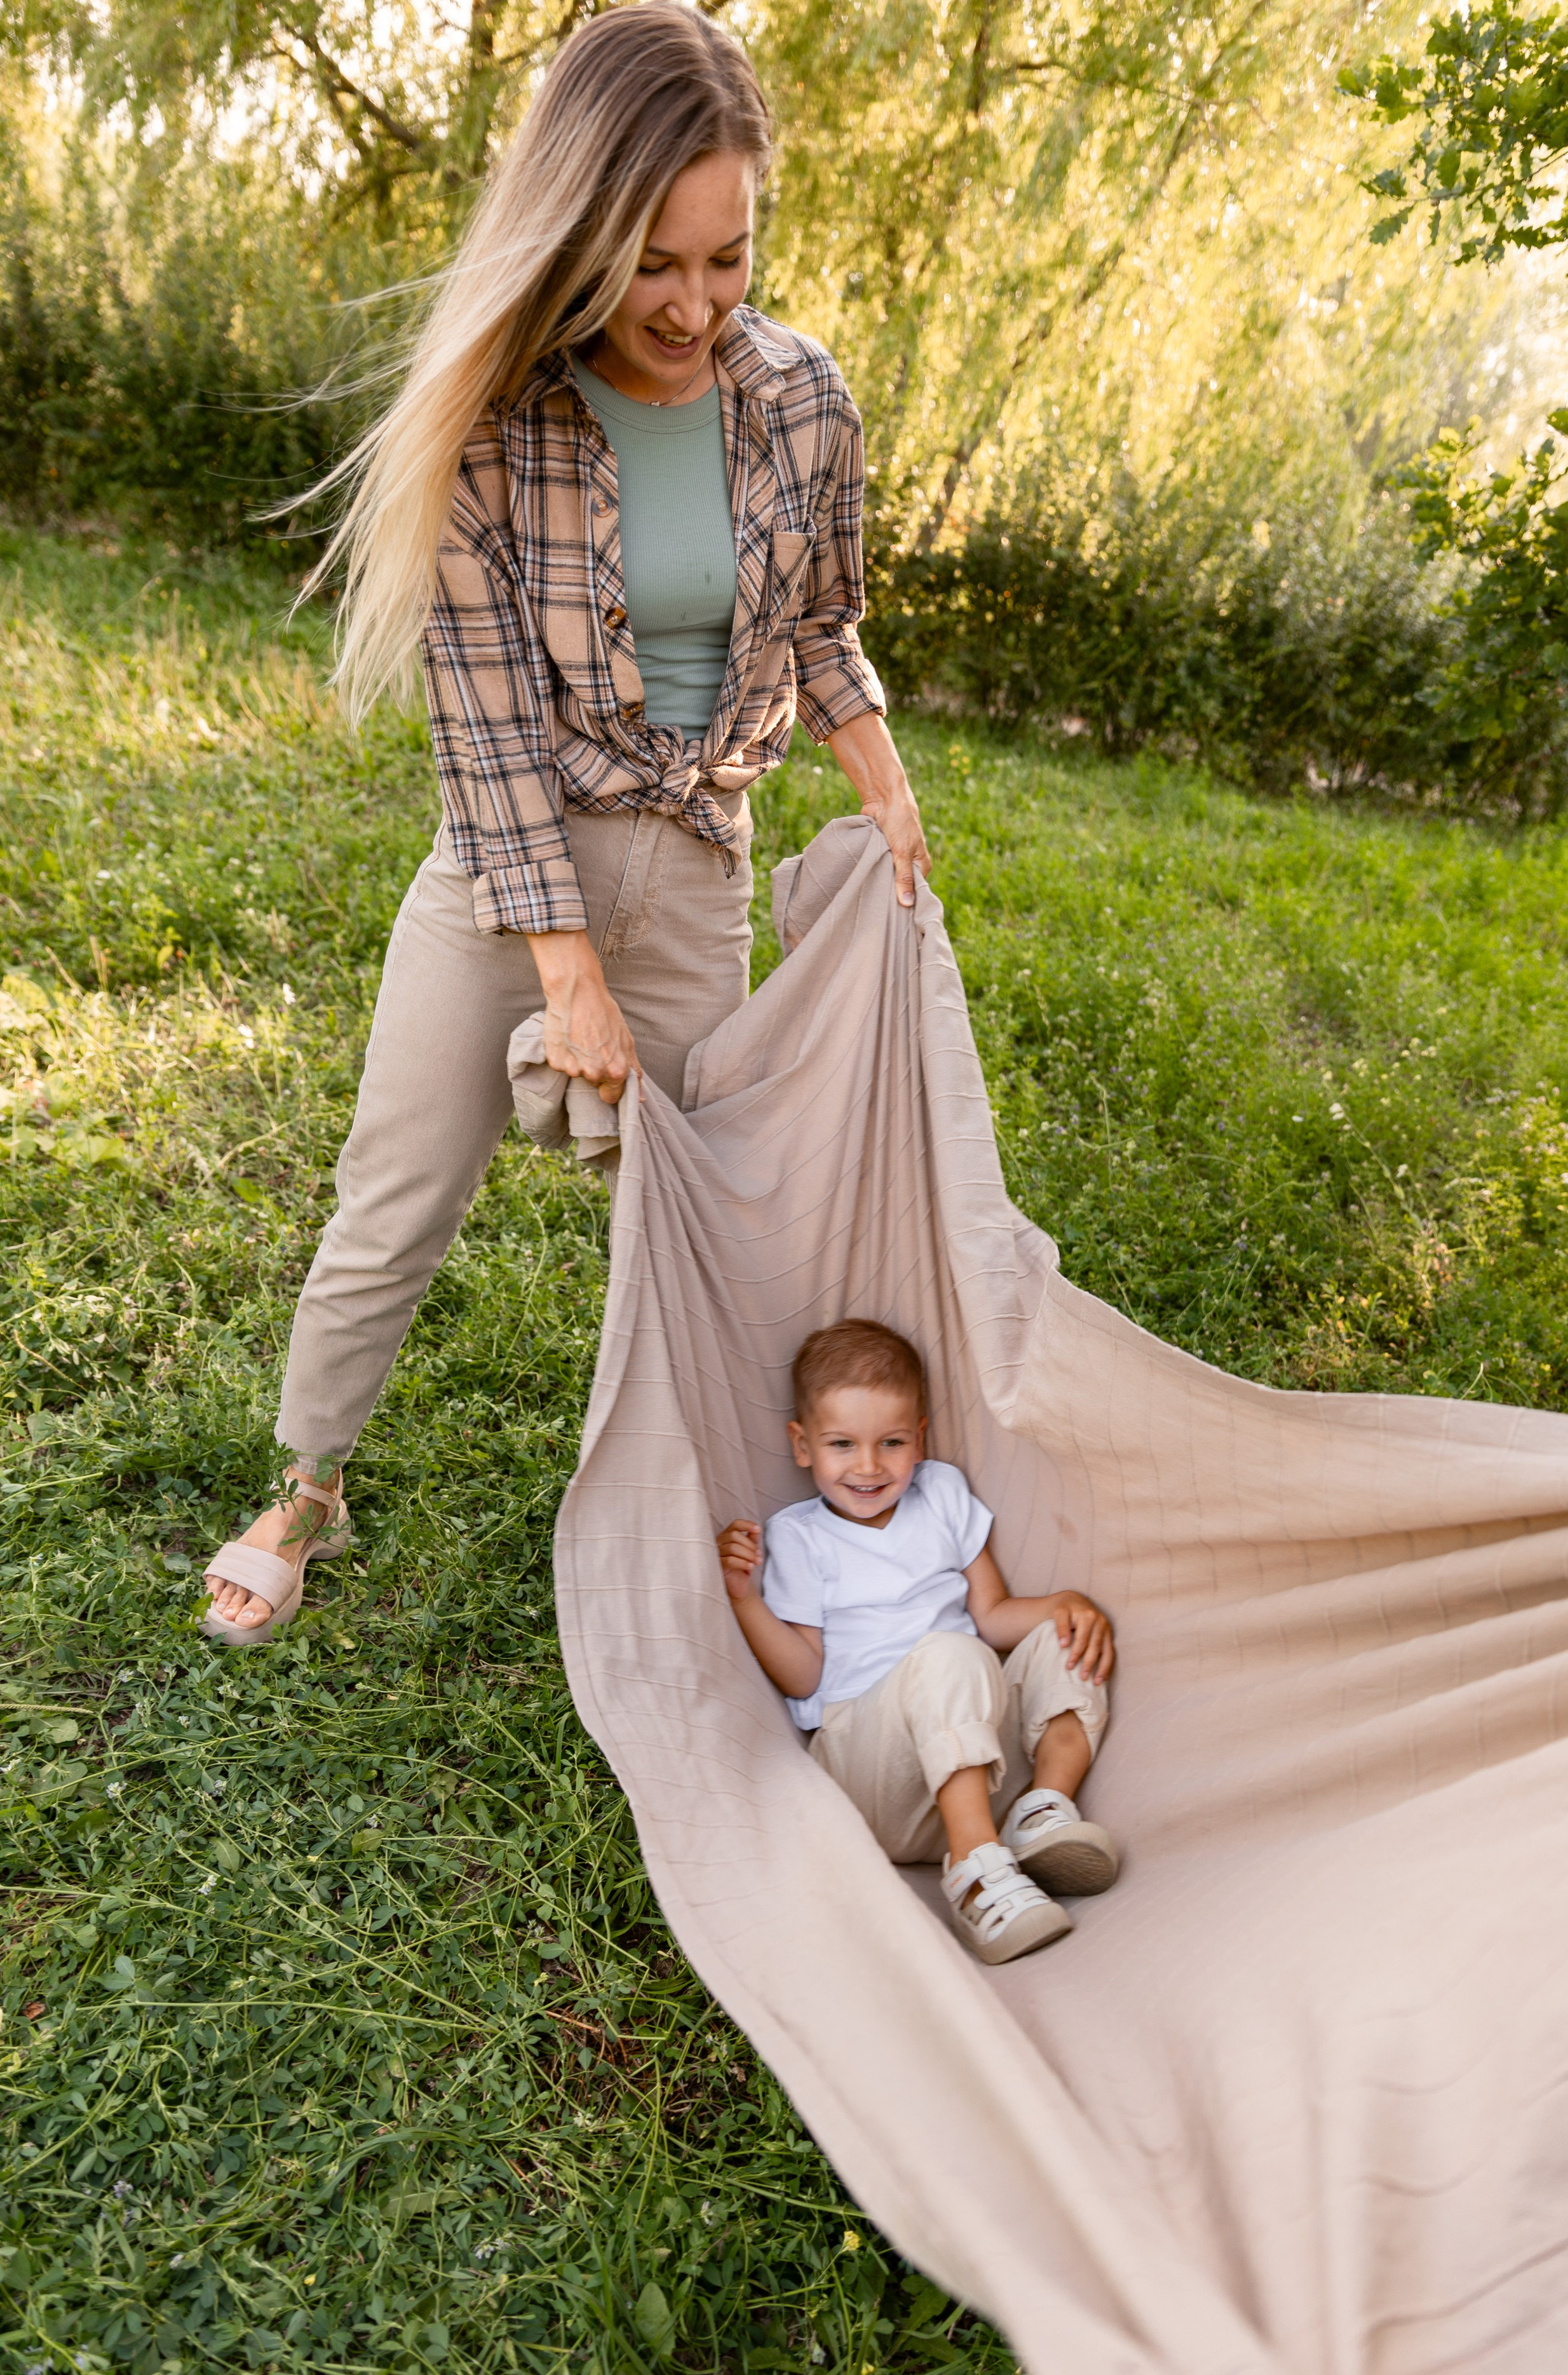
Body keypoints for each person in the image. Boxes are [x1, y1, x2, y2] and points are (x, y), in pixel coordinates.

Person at [201, 2, 930, 1641]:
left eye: (725, 261)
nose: (689, 307)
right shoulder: (492, 421)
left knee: (713, 1224)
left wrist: (884, 788)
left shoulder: (803, 402)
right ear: (582, 233)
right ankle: (308, 1481)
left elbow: (823, 627)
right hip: (501, 876)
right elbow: (484, 732)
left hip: (692, 874)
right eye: (651, 265)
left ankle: (731, 1521)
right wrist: (561, 976)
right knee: (393, 1194)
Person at [715, 1320, 1120, 1966]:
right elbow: (802, 1676)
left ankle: (1042, 1811)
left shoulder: (942, 1493)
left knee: (1056, 1637)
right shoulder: (798, 1537)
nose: (869, 1467)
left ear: (920, 1439)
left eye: (892, 1443)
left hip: (972, 1760)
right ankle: (976, 1872)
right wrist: (744, 1598)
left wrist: (1067, 1606)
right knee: (948, 1655)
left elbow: (991, 1615)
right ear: (802, 1445)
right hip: (872, 1770)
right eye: (842, 1444)